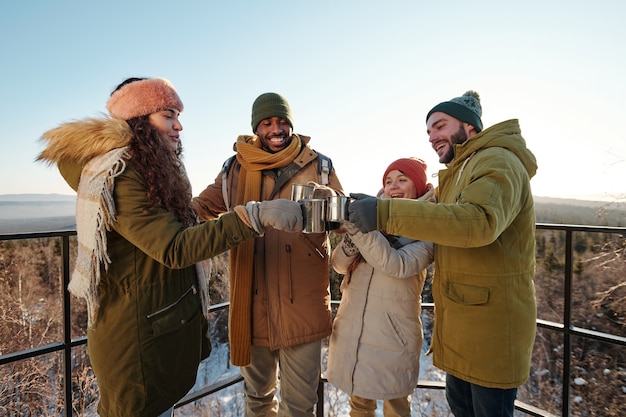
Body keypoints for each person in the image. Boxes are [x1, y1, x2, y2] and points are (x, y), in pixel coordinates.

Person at [37, 78, 303, 417]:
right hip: (137, 345)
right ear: (139, 118)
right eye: (168, 115)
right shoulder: (120, 176)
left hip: (157, 332)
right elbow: (175, 247)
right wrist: (253, 216)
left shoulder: (147, 168)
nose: (179, 125)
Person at [347, 91, 538, 417]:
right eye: (429, 132)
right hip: (462, 325)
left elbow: (478, 222)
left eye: (440, 126)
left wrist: (385, 213)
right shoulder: (461, 169)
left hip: (492, 331)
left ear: (470, 126)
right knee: (462, 409)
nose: (433, 137)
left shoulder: (498, 161)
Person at [193, 92, 344, 417]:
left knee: (300, 406)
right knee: (258, 401)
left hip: (303, 304)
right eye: (267, 122)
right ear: (256, 127)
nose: (276, 128)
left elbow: (343, 216)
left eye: (282, 122)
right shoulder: (235, 168)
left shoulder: (318, 165)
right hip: (252, 305)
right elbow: (201, 208)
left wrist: (326, 199)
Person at [326, 157, 435, 417]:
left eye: (402, 179)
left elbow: (396, 265)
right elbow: (339, 265)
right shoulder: (371, 218)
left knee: (396, 408)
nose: (393, 186)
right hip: (356, 330)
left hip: (393, 336)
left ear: (418, 187)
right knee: (359, 407)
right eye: (388, 181)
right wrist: (353, 239)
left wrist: (358, 229)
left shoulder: (428, 226)